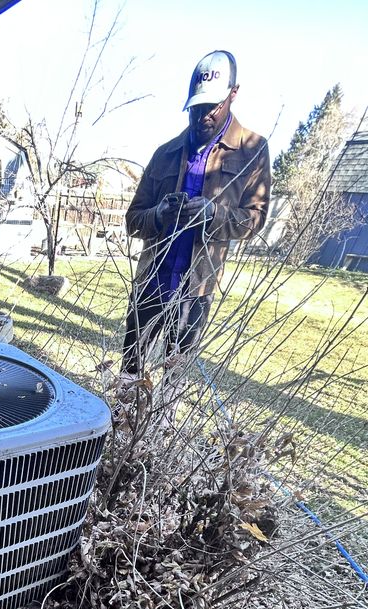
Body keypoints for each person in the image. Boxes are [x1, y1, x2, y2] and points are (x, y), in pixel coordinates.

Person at [122, 50, 271, 373]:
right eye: (197, 107)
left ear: (233, 94)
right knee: (128, 374)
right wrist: (159, 214)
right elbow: (133, 220)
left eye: (212, 107)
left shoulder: (252, 150)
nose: (203, 115)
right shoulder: (165, 153)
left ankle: (159, 426)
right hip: (150, 282)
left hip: (195, 290)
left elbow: (255, 219)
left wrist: (212, 214)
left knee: (172, 382)